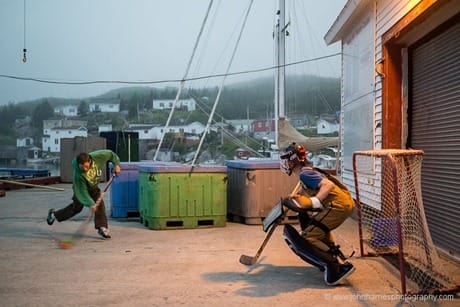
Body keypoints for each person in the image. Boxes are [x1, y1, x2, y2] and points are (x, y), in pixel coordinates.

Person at [279, 142, 355, 286]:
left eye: (285, 160)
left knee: (308, 236)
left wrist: (315, 201)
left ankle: (336, 267)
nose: (284, 163)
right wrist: (298, 196)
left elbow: (328, 186)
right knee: (317, 230)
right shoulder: (308, 172)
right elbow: (308, 188)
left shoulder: (305, 173)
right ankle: (337, 260)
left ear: (293, 160)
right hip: (343, 203)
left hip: (336, 205)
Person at [47, 150, 121, 239]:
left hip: (93, 187)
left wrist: (116, 164)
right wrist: (90, 203)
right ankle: (54, 215)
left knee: (100, 206)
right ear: (78, 164)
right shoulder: (78, 175)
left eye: (86, 166)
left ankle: (102, 228)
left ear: (89, 161)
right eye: (82, 167)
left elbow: (111, 154)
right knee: (76, 208)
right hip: (81, 190)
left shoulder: (98, 156)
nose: (85, 169)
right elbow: (82, 193)